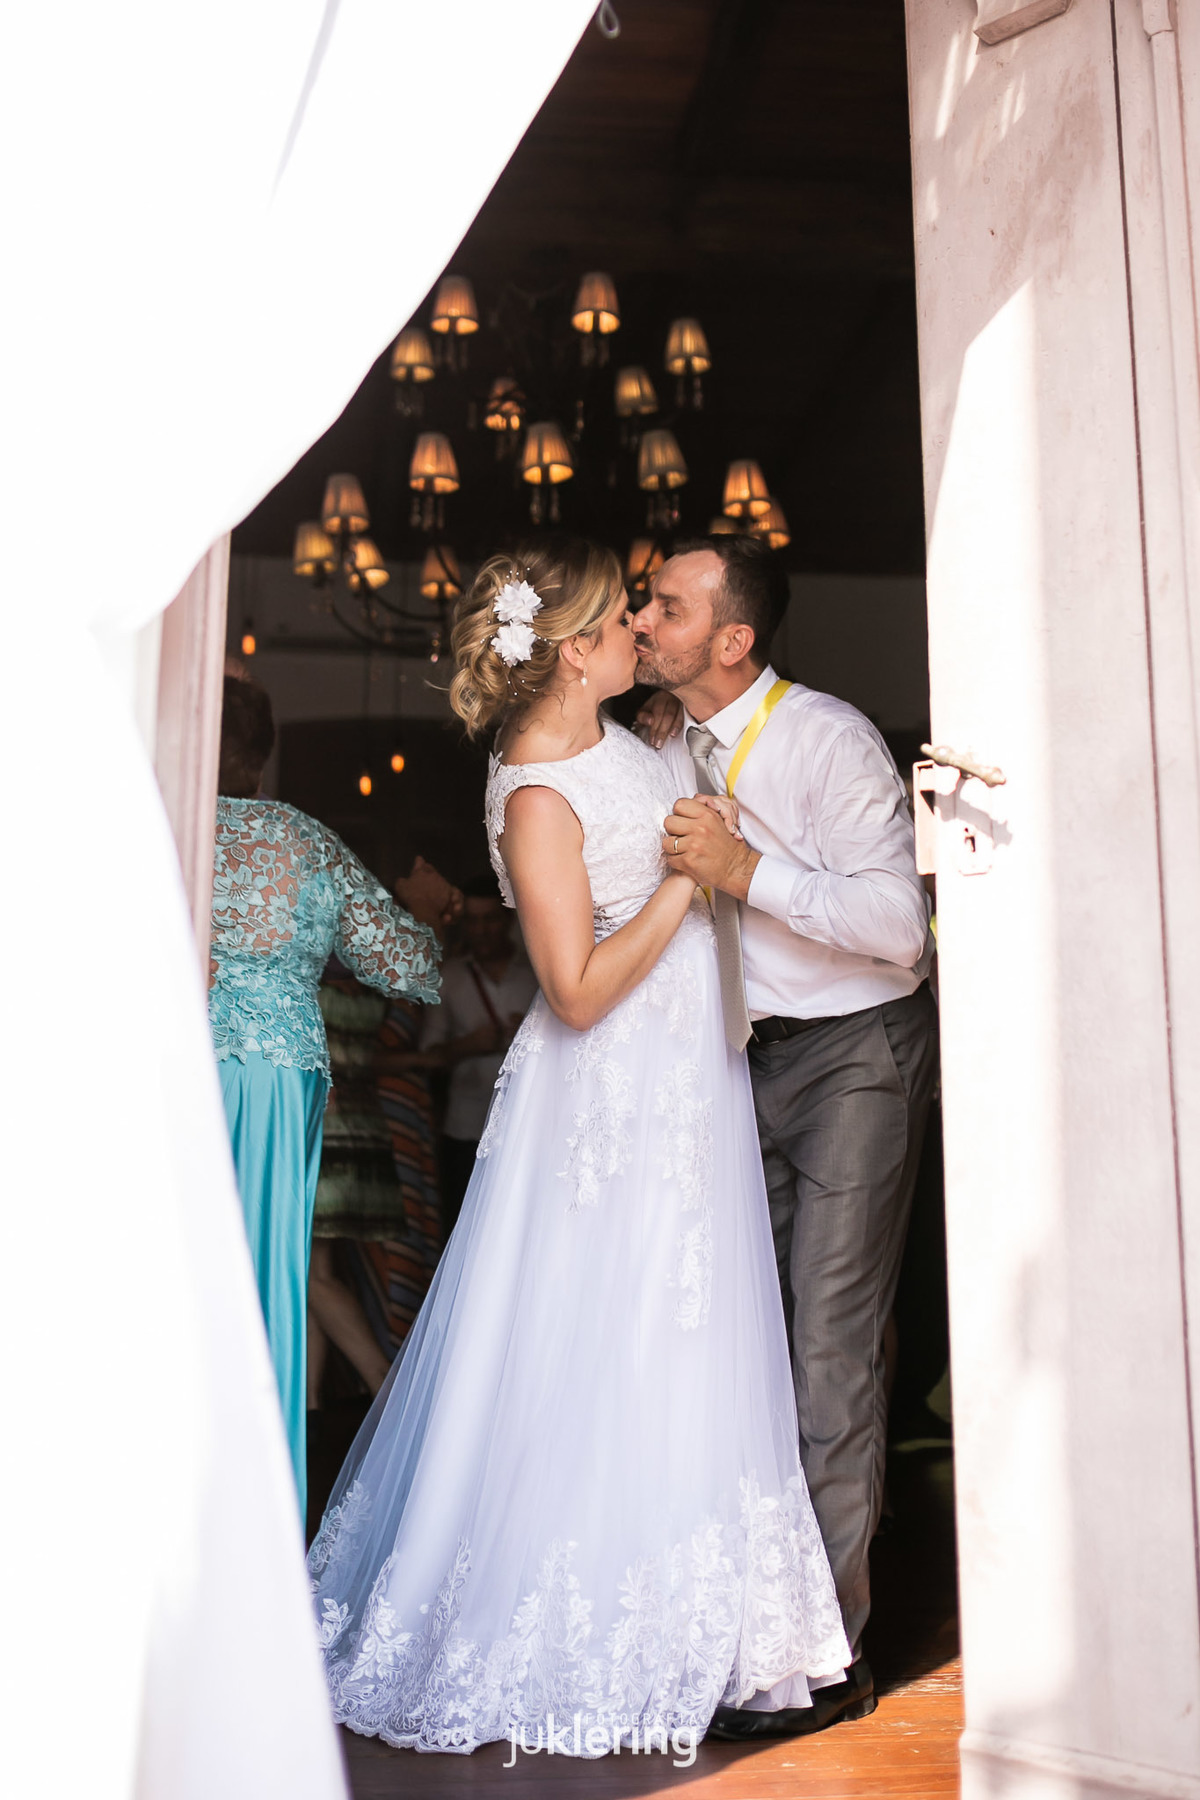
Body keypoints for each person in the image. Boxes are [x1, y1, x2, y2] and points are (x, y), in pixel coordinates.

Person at [308, 540, 850, 1757]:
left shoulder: (625, 737)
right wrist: (687, 883)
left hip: (685, 1082)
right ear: (566, 655)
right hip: (613, 1096)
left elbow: (663, 776)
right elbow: (576, 990)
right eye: (616, 623)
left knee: (689, 1334)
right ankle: (585, 1618)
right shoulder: (535, 796)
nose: (636, 633)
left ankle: (718, 1625)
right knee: (607, 1337)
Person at [632, 535, 938, 1738]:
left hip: (853, 1053)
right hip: (728, 1067)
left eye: (666, 607)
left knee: (826, 1352)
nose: (643, 621)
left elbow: (898, 929)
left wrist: (749, 869)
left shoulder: (828, 738)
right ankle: (746, 1628)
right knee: (738, 1354)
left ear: (733, 639)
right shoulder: (660, 744)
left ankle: (826, 1657)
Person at [209, 676, 454, 1517]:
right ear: (261, 755)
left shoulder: (160, 831)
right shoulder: (299, 840)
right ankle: (255, 1511)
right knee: (265, 1278)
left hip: (175, 1068)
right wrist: (427, 911)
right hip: (274, 1083)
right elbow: (409, 967)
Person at [420, 874, 538, 1235]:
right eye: (472, 921)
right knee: (465, 1230)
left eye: (490, 919)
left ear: (508, 919)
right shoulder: (450, 977)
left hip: (526, 1125)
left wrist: (529, 1033)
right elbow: (427, 1056)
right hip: (464, 1127)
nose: (481, 930)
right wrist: (468, 1045)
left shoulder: (537, 972)